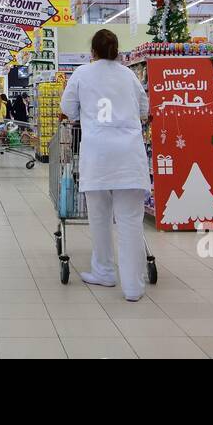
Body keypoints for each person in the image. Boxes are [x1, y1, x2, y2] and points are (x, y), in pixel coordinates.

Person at [60, 28, 151, 302]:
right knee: (130, 222)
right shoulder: (129, 75)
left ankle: (103, 271)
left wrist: (85, 116)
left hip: (98, 154)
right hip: (129, 155)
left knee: (99, 218)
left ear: (93, 52)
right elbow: (144, 110)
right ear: (117, 50)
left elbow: (69, 108)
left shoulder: (82, 73)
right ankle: (133, 286)